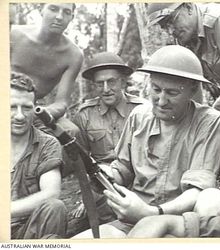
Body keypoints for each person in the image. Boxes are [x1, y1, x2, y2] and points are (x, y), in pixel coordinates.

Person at [73, 45, 220, 238]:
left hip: (179, 224)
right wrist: (107, 175)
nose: (161, 101)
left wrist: (154, 213)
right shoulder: (139, 116)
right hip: (133, 223)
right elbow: (122, 169)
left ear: (192, 90)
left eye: (172, 93)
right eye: (156, 90)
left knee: (214, 198)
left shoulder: (209, 122)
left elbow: (198, 190)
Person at [68, 52, 146, 236]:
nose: (106, 89)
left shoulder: (142, 110)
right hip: (103, 186)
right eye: (99, 84)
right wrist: (86, 197)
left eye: (111, 82)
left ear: (123, 82)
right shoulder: (84, 115)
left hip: (139, 183)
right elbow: (81, 162)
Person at [10, 72, 67, 239]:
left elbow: (52, 193)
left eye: (26, 107)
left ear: (35, 108)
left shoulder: (47, 144)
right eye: (12, 107)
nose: (20, 115)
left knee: (55, 207)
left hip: (29, 229)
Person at [10, 3, 83, 132]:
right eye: (53, 9)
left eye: (66, 12)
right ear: (41, 10)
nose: (59, 17)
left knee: (71, 131)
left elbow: (61, 103)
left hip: (33, 112)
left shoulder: (73, 55)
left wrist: (38, 114)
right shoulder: (13, 35)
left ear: (72, 17)